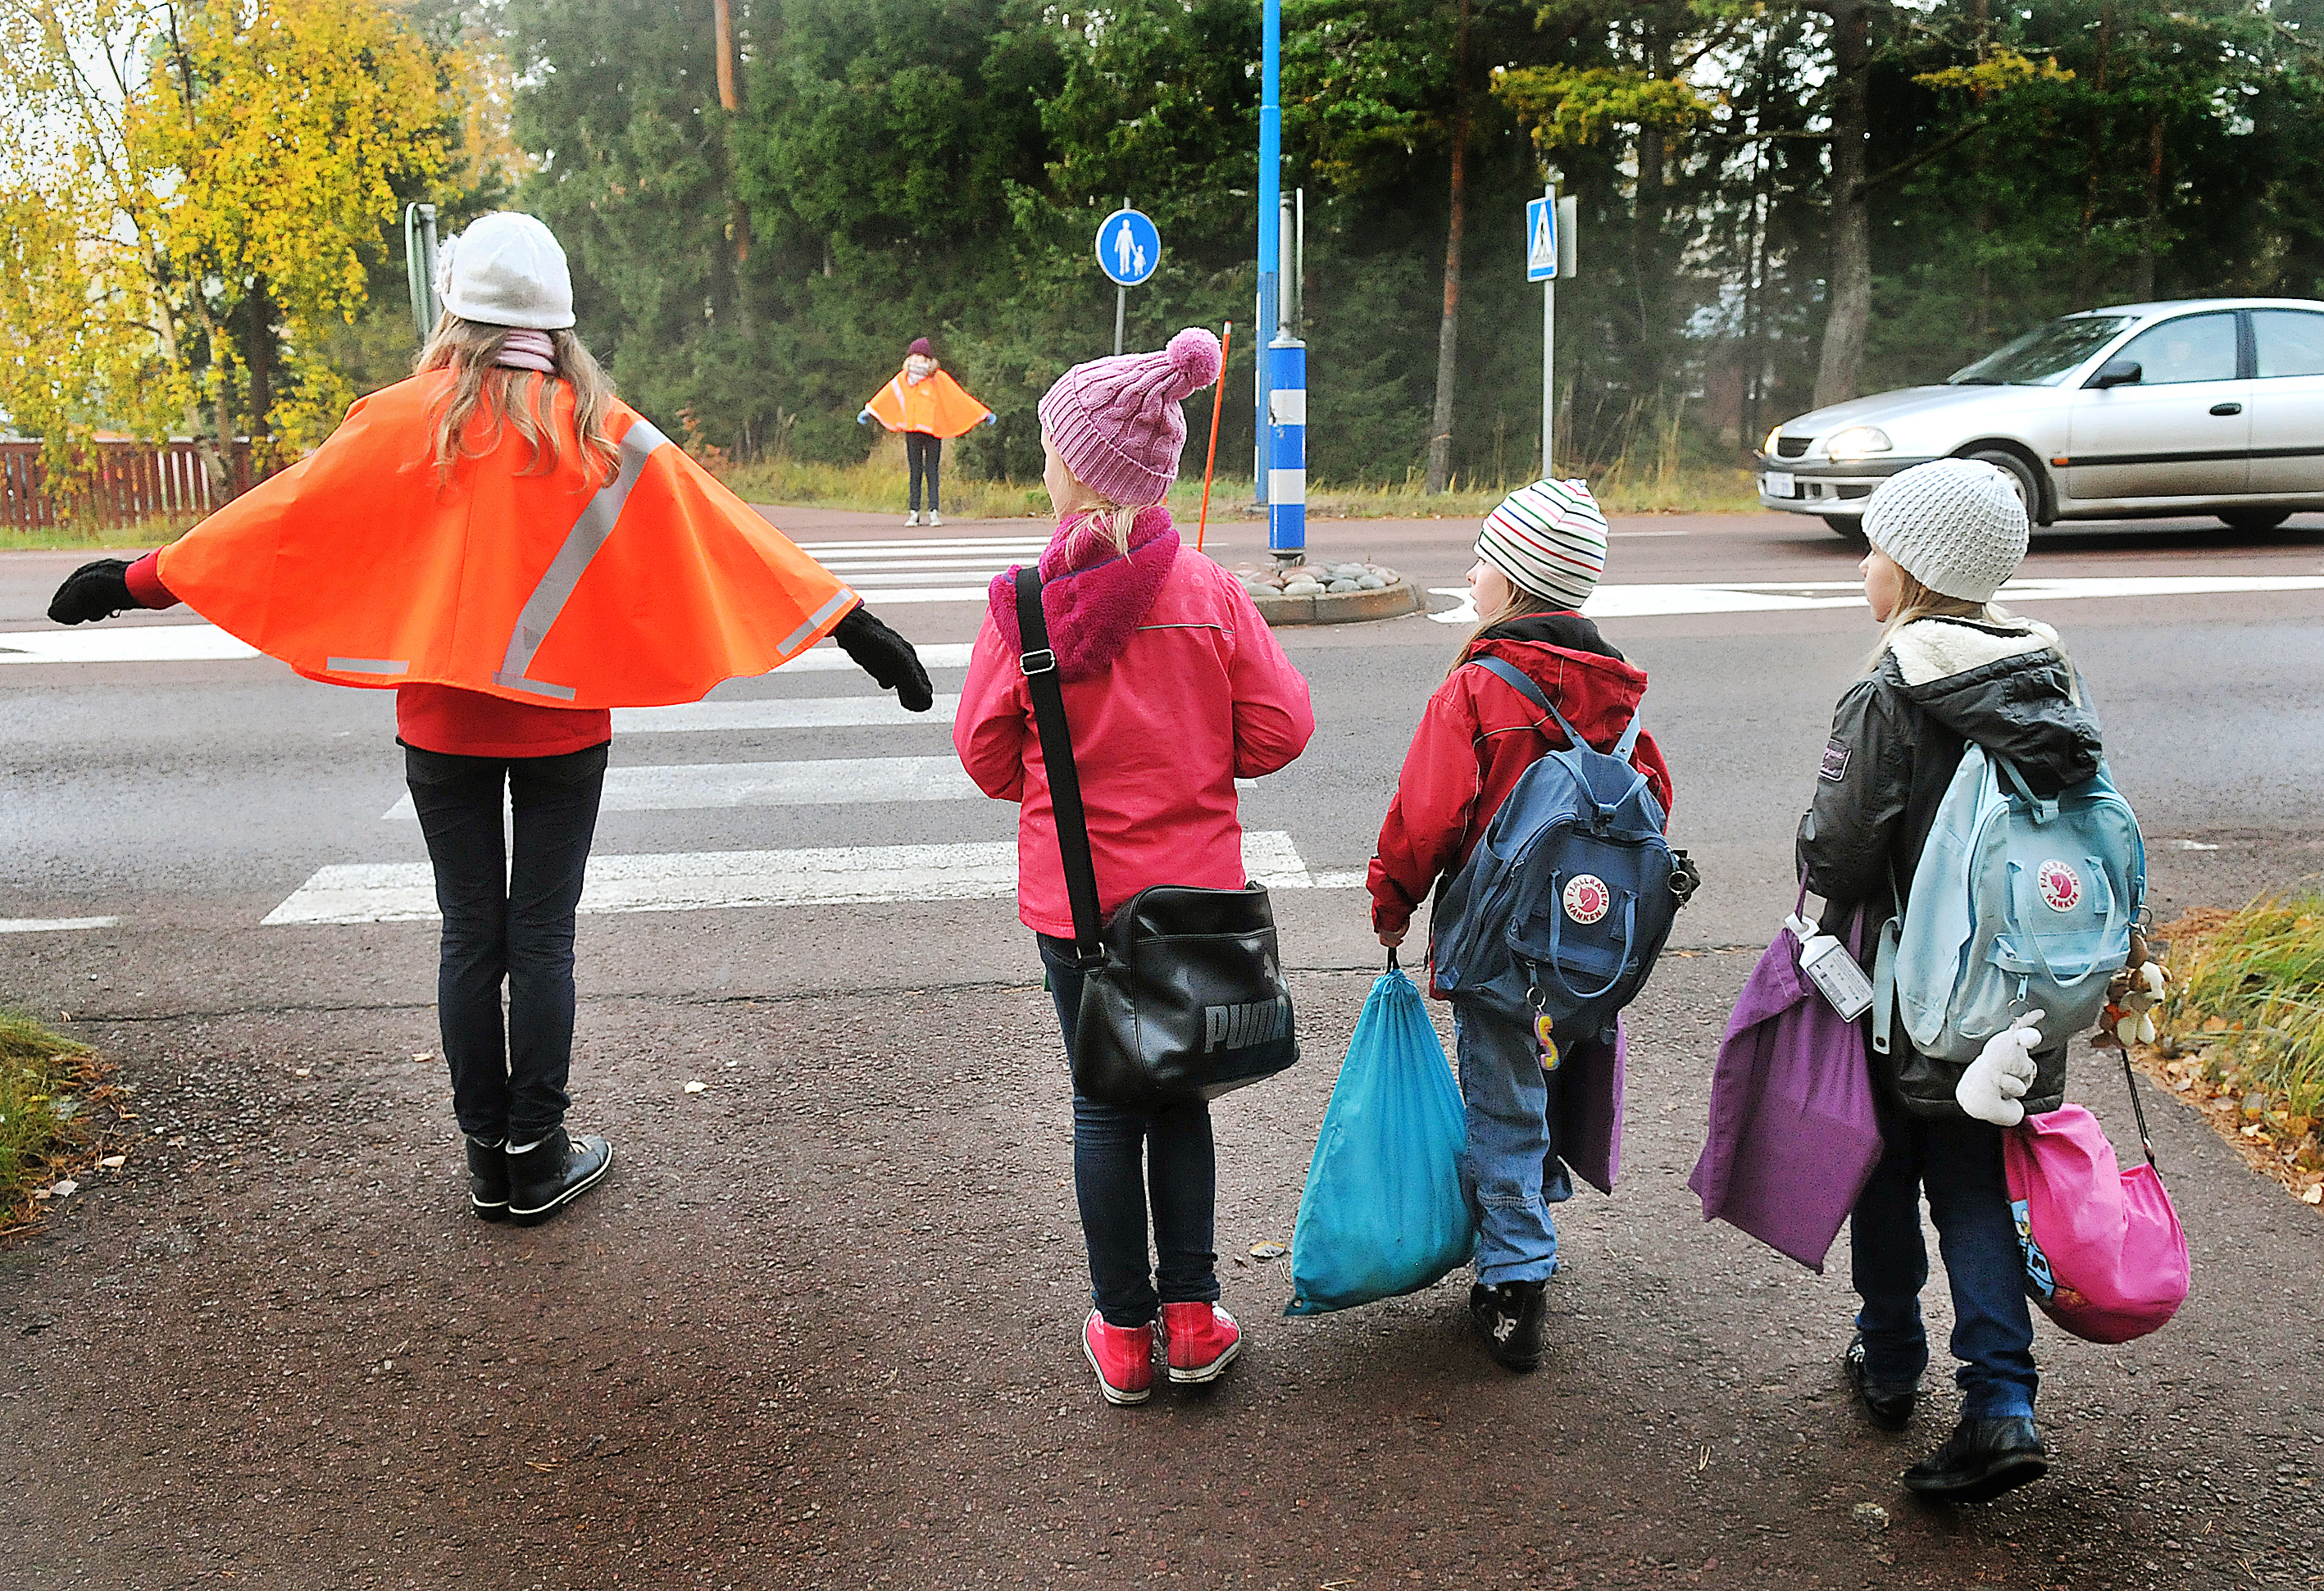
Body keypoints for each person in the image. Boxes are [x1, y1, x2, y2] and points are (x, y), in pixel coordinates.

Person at [46, 211, 934, 1229]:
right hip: (564, 729)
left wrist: (138, 580)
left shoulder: (399, 420)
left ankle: (485, 1158)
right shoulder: (601, 427)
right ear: (558, 323)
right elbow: (723, 530)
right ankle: (537, 1152)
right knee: (541, 935)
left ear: (453, 311)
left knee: (470, 933)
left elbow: (284, 519)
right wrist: (851, 623)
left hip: (440, 726)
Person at [953, 328, 1314, 1406]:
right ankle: (1193, 1319)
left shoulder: (1022, 604)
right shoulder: (1207, 589)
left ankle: (1120, 1332)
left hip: (1075, 909)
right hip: (1191, 905)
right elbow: (1281, 729)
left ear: (1076, 470)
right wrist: (1198, 748)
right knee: (1178, 1101)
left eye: (1049, 450)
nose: (1043, 466)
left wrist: (1047, 771)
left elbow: (983, 754)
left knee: (1103, 1108)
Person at [1797, 456, 2103, 1503]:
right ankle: (2002, 1404)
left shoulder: (1892, 688)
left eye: (1876, 549)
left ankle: (1889, 1360)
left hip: (1910, 996)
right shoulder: (2045, 673)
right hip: (2024, 993)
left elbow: (1839, 857)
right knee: (1975, 1183)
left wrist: (1810, 839)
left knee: (1883, 1172)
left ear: (1917, 569)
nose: (1865, 567)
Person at [1367, 479, 1674, 1372]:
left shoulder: (1479, 686)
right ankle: (1529, 1212)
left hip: (1500, 946)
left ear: (1514, 581)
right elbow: (1652, 804)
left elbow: (1426, 815)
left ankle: (1514, 1279)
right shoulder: (1618, 691)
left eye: (1483, 560)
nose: (1470, 573)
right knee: (1541, 1079)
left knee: (1500, 1097)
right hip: (1589, 950)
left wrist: (1392, 901)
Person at [857, 337, 993, 526]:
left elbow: (958, 397)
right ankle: (914, 512)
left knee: (932, 471)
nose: (915, 359)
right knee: (915, 472)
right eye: (913, 355)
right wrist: (870, 410)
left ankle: (933, 512)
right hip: (912, 431)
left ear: (927, 358)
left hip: (933, 432)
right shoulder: (904, 378)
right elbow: (887, 395)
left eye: (919, 355)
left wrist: (982, 413)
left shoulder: (938, 378)